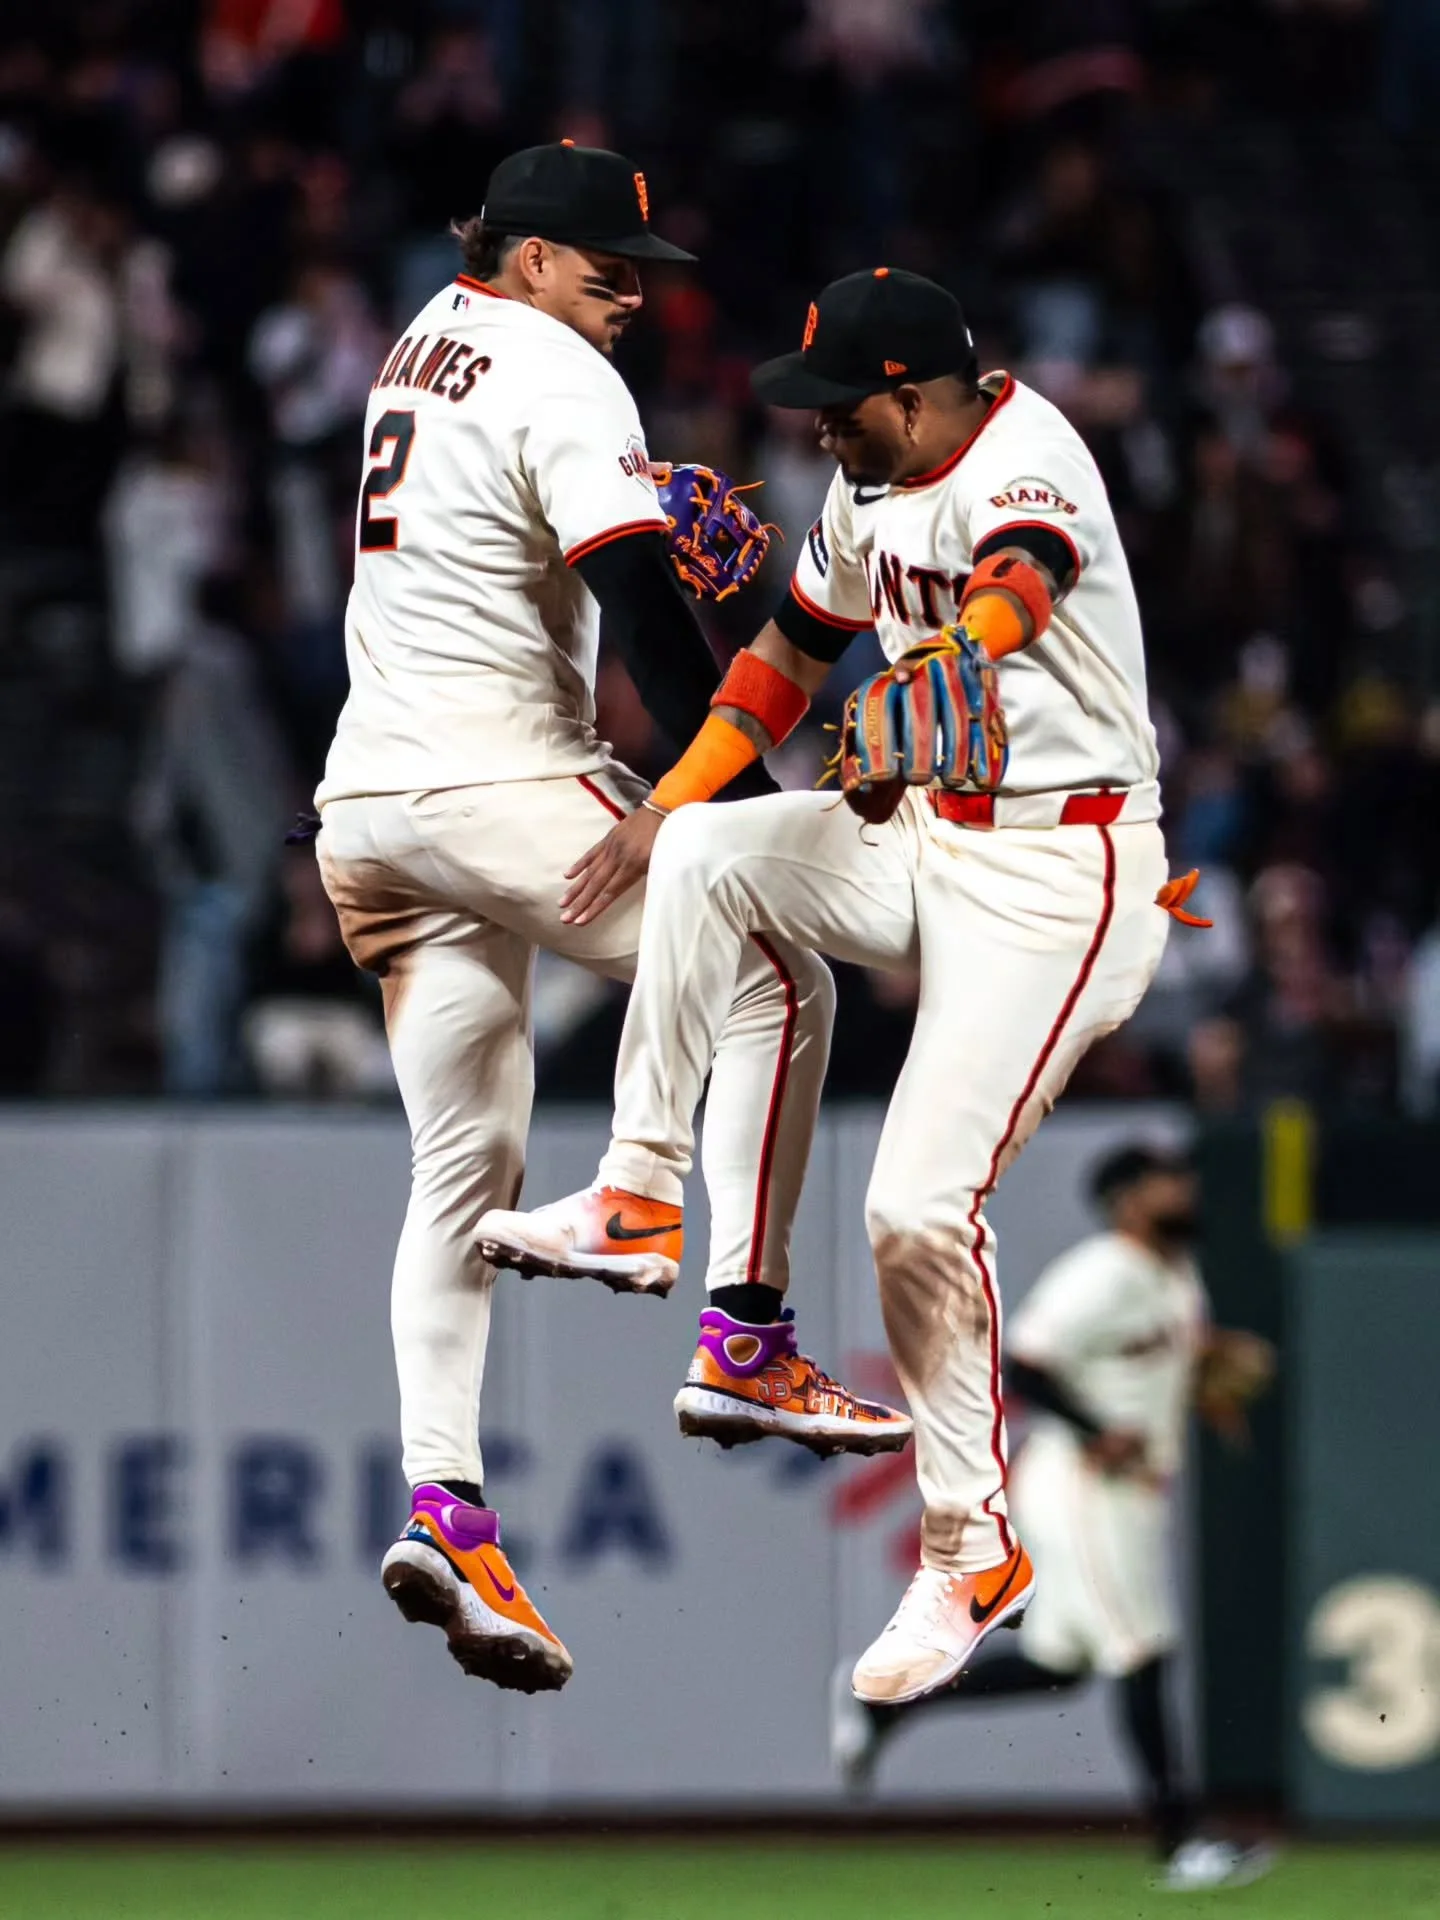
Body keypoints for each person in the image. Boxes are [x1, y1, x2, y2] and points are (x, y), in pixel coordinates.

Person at [482, 267, 1199, 1703]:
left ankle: (969, 1547)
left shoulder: (1024, 451)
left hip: (1067, 878)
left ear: (918, 394)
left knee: (916, 1209)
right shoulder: (870, 485)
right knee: (707, 854)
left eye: (840, 409)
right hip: (931, 834)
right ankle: (656, 1207)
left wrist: (950, 654)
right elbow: (789, 655)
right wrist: (667, 798)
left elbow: (1021, 582)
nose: (819, 434)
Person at [314, 145, 906, 1697]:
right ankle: (744, 1328)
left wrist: (635, 522)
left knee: (462, 1169)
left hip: (370, 815)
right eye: (596, 262)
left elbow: (513, 536)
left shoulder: (421, 342)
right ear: (512, 253)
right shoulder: (565, 375)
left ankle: (444, 1506)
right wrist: (724, 798)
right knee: (781, 968)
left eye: (638, 269)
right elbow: (643, 614)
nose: (627, 291)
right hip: (500, 784)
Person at [829, 1144, 1276, 1895]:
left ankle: (883, 1699)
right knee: (1142, 1650)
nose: (1186, 1189)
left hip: (1126, 1488)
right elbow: (1027, 1365)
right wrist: (1098, 1426)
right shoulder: (1100, 1273)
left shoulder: (1173, 1274)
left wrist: (1206, 1379)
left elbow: (1153, 1361)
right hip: (1085, 1486)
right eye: (1170, 1180)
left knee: (1060, 1666)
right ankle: (1183, 1842)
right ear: (1128, 1199)